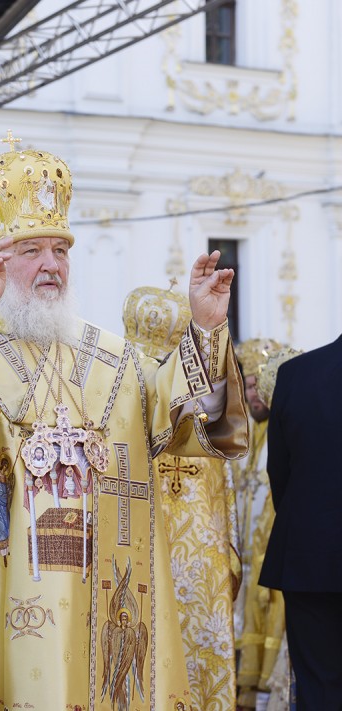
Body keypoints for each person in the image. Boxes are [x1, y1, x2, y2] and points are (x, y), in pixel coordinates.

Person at [0, 134, 248, 710]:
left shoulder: (113, 356)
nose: (51, 265)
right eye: (31, 251)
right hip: (3, 587)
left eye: (61, 250)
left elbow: (183, 423)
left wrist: (203, 330)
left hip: (100, 589)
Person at [123, 284, 241, 711]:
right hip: (186, 558)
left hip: (178, 554)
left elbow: (221, 487)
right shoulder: (125, 393)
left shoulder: (193, 403)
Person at [259, 334, 342, 709]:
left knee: (317, 685)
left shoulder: (295, 375)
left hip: (309, 557)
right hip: (310, 554)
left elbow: (280, 471)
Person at [232, 338, 286, 709]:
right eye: (248, 384)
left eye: (260, 384)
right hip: (243, 560)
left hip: (271, 559)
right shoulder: (240, 434)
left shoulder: (283, 430)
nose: (254, 393)